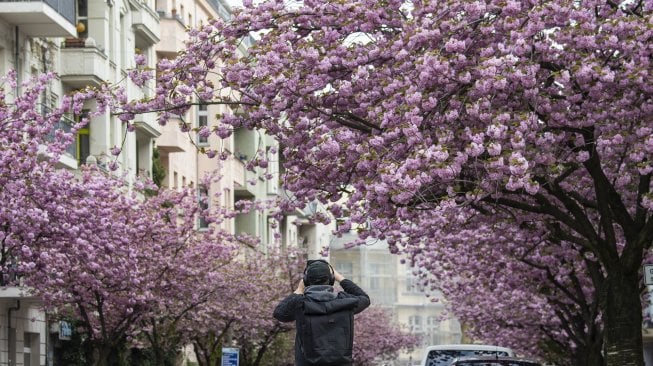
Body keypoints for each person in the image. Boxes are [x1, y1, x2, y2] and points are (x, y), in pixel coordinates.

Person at [273, 259, 371, 366]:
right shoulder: (347, 303)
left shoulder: (300, 304)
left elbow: (279, 313)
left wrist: (299, 290)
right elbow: (364, 298)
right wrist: (340, 278)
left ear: (306, 281)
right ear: (331, 279)